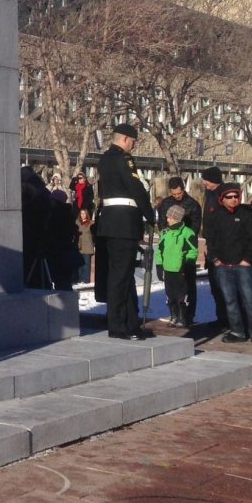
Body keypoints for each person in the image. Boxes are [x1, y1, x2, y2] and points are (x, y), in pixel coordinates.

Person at [94, 124, 155, 341]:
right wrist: (150, 215)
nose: (134, 145)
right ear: (126, 139)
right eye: (133, 141)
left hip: (110, 221)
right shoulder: (124, 159)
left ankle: (130, 323)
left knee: (123, 274)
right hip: (124, 223)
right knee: (121, 277)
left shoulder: (104, 159)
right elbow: (136, 188)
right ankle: (118, 325)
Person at [206, 183, 252, 344]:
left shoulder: (246, 214)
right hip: (223, 266)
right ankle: (237, 331)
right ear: (222, 199)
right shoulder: (215, 215)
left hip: (243, 265)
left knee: (249, 298)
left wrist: (248, 259)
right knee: (230, 300)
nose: (233, 200)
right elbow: (210, 240)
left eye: (236, 196)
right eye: (229, 197)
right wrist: (215, 259)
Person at [156, 177, 202, 322]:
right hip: (171, 247)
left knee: (188, 287)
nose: (177, 196)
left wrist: (184, 237)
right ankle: (175, 314)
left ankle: (188, 315)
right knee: (171, 290)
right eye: (174, 194)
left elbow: (195, 228)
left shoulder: (193, 205)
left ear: (183, 189)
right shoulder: (166, 203)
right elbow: (162, 224)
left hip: (184, 245)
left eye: (179, 193)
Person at [155, 204, 197, 328]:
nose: (167, 220)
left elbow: (193, 250)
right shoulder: (165, 233)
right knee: (170, 295)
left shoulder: (188, 233)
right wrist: (159, 265)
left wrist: (189, 263)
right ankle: (173, 315)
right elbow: (160, 250)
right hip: (168, 269)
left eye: (170, 218)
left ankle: (183, 317)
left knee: (182, 295)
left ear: (177, 219)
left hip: (181, 269)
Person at [197, 166, 228, 330]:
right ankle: (221, 317)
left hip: (221, 244)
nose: (204, 183)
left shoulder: (222, 195)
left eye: (206, 180)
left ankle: (228, 320)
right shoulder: (209, 195)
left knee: (223, 285)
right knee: (215, 286)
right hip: (211, 243)